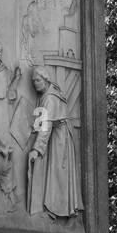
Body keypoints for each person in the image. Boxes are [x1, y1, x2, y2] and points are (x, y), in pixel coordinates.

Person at [26, 64, 83, 221]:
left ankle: (56, 209)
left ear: (45, 80)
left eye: (37, 80)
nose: (35, 83)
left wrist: (36, 149)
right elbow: (41, 120)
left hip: (60, 140)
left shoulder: (50, 98)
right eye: (33, 81)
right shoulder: (46, 93)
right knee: (55, 173)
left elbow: (46, 127)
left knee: (58, 173)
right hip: (56, 137)